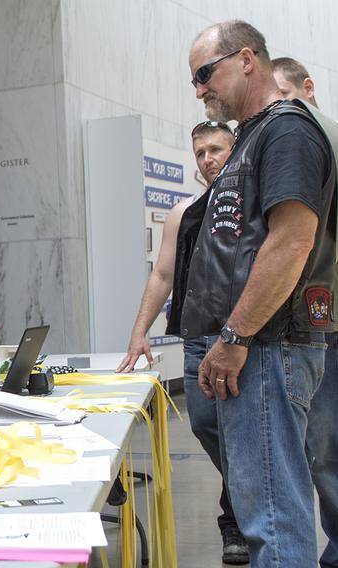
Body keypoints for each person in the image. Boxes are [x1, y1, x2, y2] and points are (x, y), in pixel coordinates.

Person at [176, 20, 337, 566]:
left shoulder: (287, 131)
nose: (200, 90)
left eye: (205, 74)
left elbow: (291, 241)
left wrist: (236, 334)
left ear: (247, 59)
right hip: (259, 348)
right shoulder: (257, 135)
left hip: (269, 347)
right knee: (264, 512)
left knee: (271, 519)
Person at [118, 122, 249, 564]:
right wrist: (139, 331)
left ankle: (234, 523)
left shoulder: (252, 203)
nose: (208, 159)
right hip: (197, 340)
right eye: (200, 152)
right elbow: (162, 275)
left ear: (236, 150)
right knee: (206, 427)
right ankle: (247, 502)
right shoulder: (185, 211)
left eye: (216, 149)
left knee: (242, 436)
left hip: (241, 340)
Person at [271, 55, 338, 568]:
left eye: (281, 98)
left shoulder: (308, 135)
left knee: (325, 448)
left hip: (323, 319)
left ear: (307, 88)